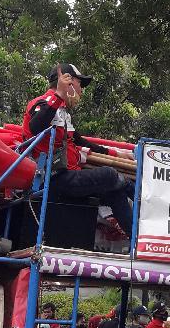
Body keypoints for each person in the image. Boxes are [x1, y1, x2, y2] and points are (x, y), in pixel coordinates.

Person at [22, 63, 134, 236]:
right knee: (109, 175)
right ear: (68, 82)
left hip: (71, 176)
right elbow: (36, 126)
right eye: (80, 83)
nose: (81, 90)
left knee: (115, 192)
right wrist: (59, 94)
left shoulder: (63, 112)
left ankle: (137, 241)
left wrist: (116, 153)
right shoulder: (42, 103)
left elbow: (81, 141)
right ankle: (146, 198)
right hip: (55, 178)